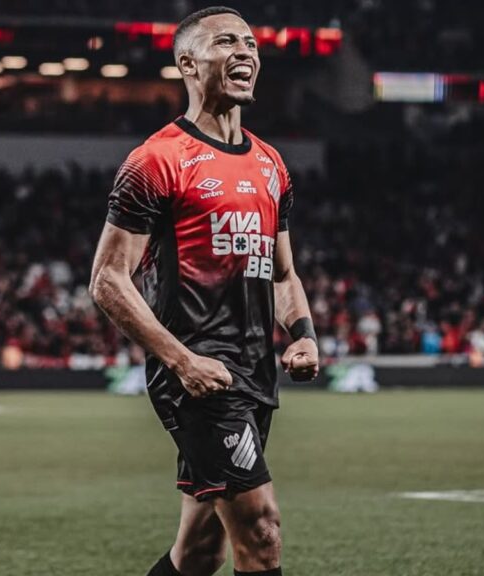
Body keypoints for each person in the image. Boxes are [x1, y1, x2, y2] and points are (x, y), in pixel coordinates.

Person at [89, 7, 318, 576]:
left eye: (250, 43)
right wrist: (180, 359)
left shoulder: (271, 165)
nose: (245, 52)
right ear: (188, 63)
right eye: (226, 42)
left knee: (198, 551)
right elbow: (108, 279)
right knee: (261, 529)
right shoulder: (156, 160)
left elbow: (283, 274)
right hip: (197, 377)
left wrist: (303, 335)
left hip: (252, 371)